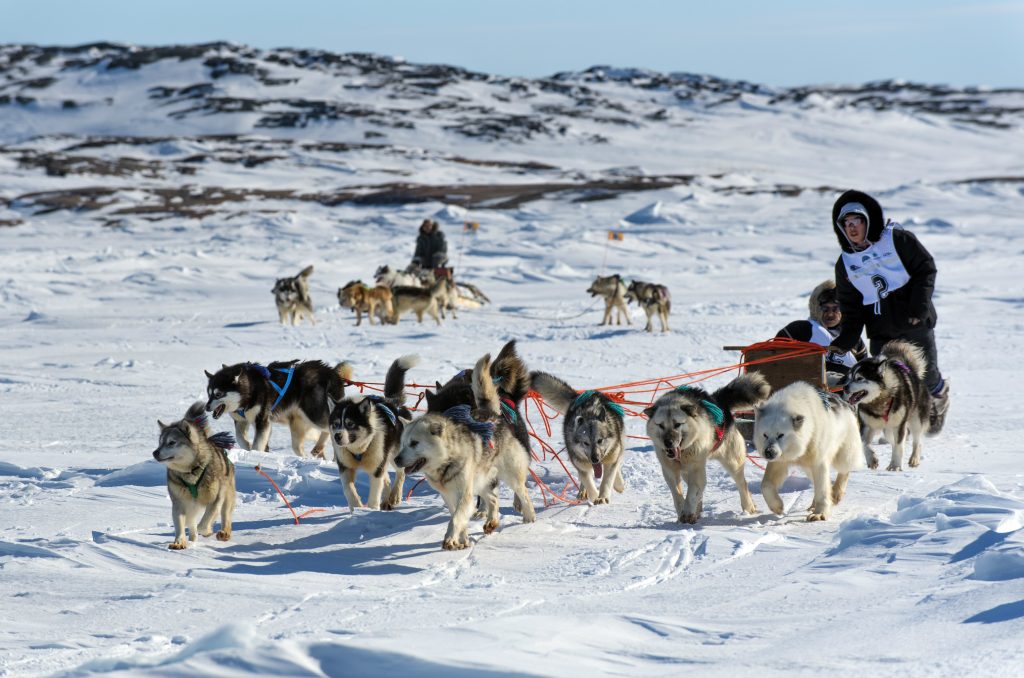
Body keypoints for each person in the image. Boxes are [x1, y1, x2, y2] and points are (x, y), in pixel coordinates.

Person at [827, 189, 950, 433]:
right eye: (847, 224)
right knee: (885, 380)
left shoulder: (898, 239)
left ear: (868, 222)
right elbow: (851, 305)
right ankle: (894, 423)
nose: (852, 228)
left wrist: (919, 307)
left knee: (924, 376)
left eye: (857, 222)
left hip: (914, 321)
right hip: (881, 329)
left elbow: (925, 269)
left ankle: (939, 395)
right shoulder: (845, 263)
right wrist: (847, 338)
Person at [776, 279, 866, 385]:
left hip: (845, 394)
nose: (830, 314)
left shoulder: (853, 338)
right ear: (816, 308)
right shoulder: (799, 330)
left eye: (835, 309)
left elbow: (864, 370)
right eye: (825, 309)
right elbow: (773, 358)